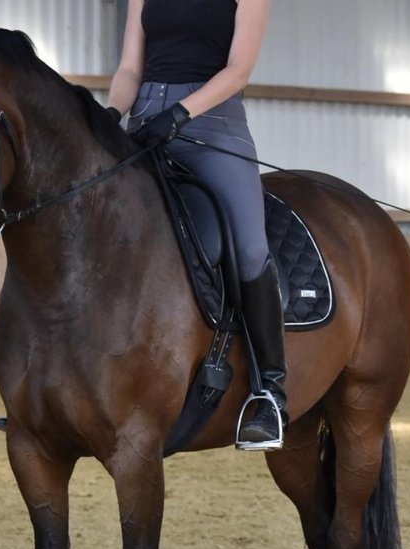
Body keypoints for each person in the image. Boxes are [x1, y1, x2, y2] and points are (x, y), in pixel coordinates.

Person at [107, 0, 286, 450]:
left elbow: (238, 70)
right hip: (144, 122)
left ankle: (270, 393)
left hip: (213, 129)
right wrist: (109, 116)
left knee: (248, 249)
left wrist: (181, 112)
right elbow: (130, 67)